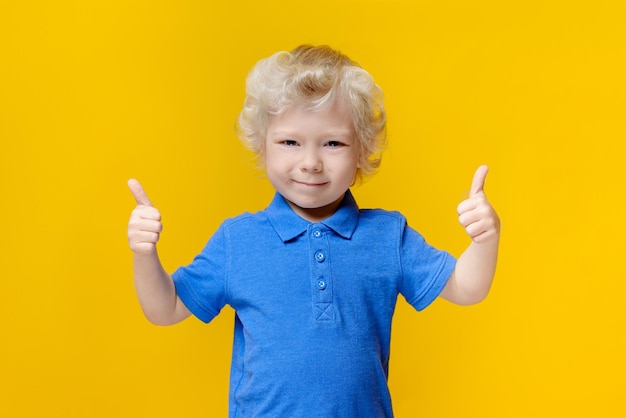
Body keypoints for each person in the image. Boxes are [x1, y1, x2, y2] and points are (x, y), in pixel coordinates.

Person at [127, 45, 500, 417]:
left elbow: (466, 288)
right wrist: (145, 254)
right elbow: (167, 308)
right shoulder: (238, 241)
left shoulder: (388, 237)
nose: (310, 163)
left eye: (333, 143)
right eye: (290, 142)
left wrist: (485, 239)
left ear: (362, 151)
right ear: (262, 145)